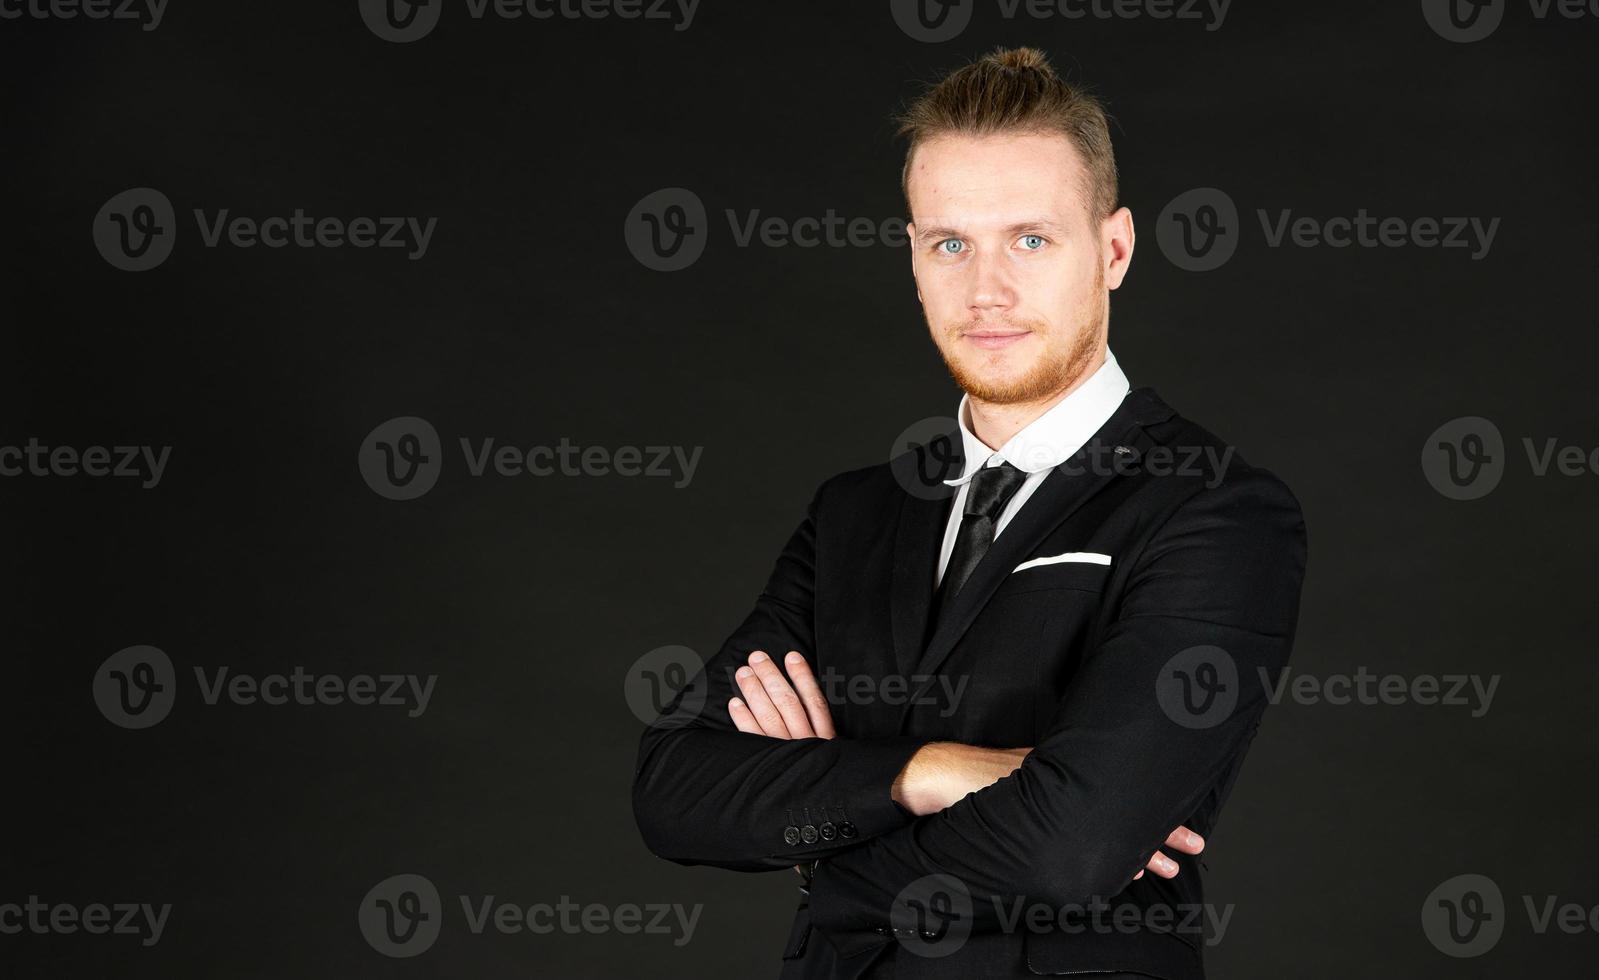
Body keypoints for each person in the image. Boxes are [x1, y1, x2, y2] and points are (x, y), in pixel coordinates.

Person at [633, 45, 1307, 979]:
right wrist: (930, 770)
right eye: (950, 243)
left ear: (1112, 251)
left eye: (1029, 239)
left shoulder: (1215, 509)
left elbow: (1068, 849)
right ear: (913, 258)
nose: (984, 290)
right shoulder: (855, 515)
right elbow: (674, 789)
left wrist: (826, 844)